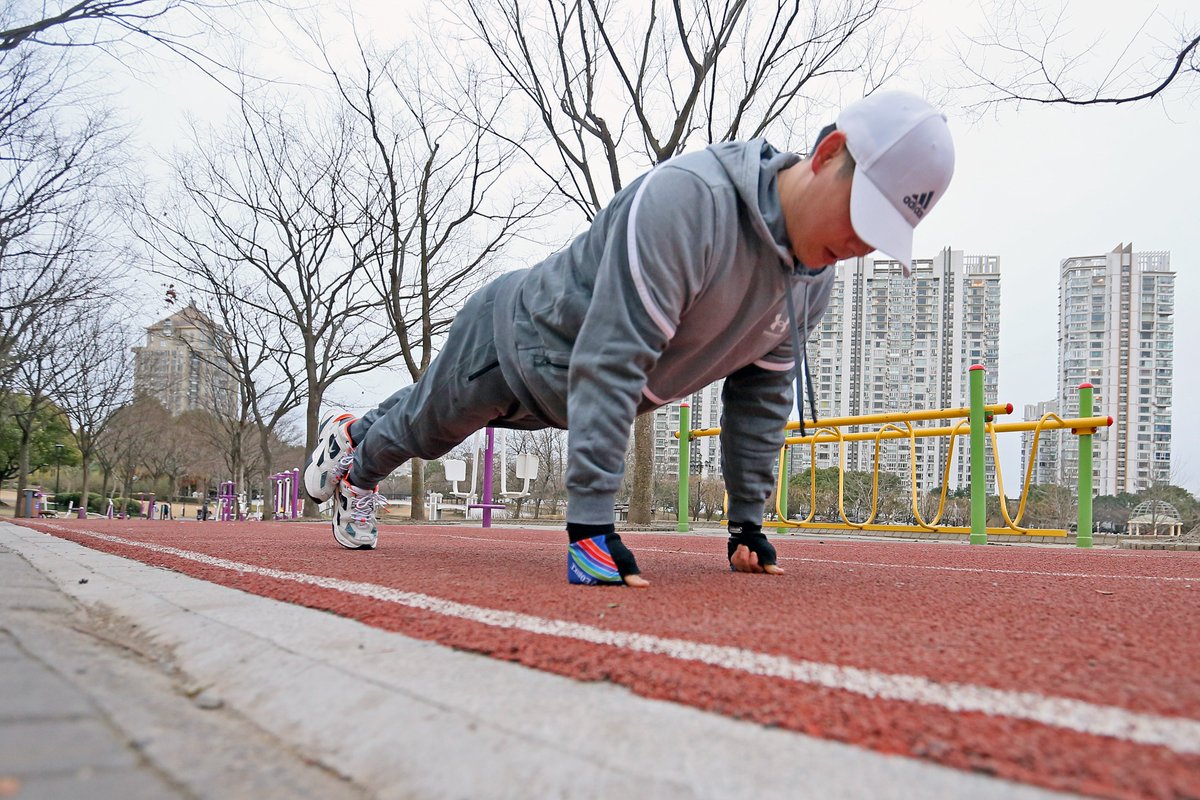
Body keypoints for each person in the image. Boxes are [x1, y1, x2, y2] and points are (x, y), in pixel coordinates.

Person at [303, 90, 955, 587]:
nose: (861, 245)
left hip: (572, 396)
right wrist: (590, 528)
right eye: (861, 214)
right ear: (826, 154)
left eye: (882, 233)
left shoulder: (812, 282)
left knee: (423, 410)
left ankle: (352, 430)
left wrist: (746, 521)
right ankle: (357, 467)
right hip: (513, 341)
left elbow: (761, 396)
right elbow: (613, 359)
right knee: (428, 429)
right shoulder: (689, 204)